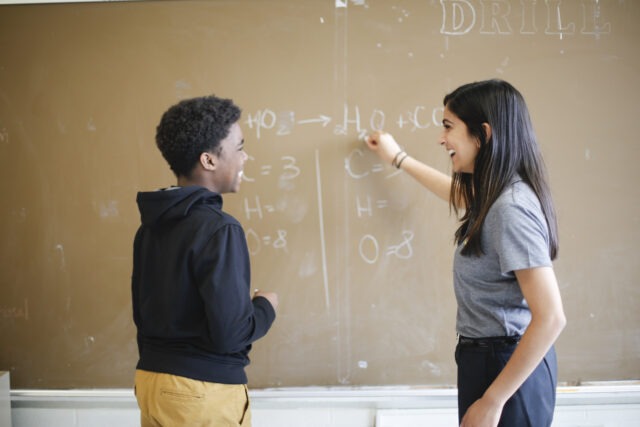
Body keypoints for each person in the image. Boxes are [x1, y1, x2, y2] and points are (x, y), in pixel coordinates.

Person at [365, 79, 566, 427]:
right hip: (491, 361)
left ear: (483, 133)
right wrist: (398, 159)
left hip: (505, 368)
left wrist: (493, 400)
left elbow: (551, 317)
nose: (442, 139)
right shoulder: (495, 199)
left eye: (448, 127)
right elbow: (455, 195)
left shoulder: (510, 208)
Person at [131, 95, 278, 427]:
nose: (245, 157)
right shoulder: (220, 228)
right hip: (201, 394)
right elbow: (231, 334)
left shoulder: (150, 227)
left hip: (153, 383)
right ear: (209, 160)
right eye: (239, 147)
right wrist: (265, 306)